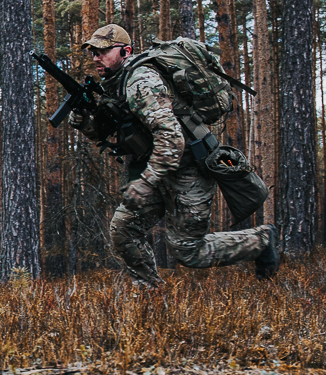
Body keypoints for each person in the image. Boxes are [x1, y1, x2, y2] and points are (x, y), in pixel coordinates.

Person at [81, 24, 280, 288]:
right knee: (124, 231)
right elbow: (110, 134)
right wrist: (83, 118)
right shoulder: (116, 83)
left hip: (189, 169)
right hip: (160, 169)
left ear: (125, 51)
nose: (96, 57)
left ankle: (261, 241)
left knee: (188, 250)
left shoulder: (141, 82)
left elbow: (172, 138)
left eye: (103, 50)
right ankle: (151, 296)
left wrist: (145, 182)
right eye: (93, 51)